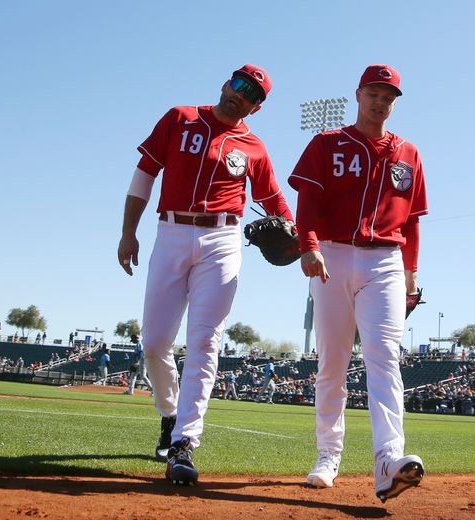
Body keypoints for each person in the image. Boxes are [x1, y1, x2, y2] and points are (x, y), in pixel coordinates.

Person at [117, 64, 293, 486]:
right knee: (155, 341)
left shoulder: (253, 146)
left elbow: (274, 201)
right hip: (172, 231)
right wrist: (128, 232)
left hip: (223, 240)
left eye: (251, 94)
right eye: (238, 85)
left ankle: (184, 443)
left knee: (204, 340)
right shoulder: (181, 118)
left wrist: (304, 242)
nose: (241, 95)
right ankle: (169, 414)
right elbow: (145, 173)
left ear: (257, 106)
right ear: (225, 83)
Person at [288, 64, 427, 502]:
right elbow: (307, 200)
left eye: (389, 95)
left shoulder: (408, 153)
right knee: (332, 363)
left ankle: (389, 460)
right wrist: (307, 244)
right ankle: (328, 455)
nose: (381, 101)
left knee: (384, 357)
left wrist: (411, 277)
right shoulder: (327, 144)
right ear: (358, 94)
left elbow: (414, 223)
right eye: (374, 92)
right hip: (332, 253)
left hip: (385, 260)